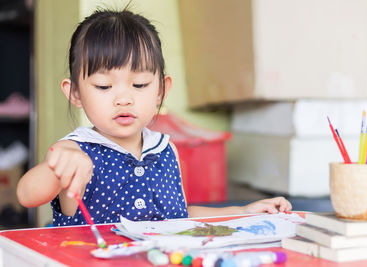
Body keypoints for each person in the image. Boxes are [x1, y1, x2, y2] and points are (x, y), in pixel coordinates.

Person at [16, 8, 292, 226]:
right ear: (74, 92)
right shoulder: (74, 151)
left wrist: (242, 211)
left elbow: (177, 217)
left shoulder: (165, 149)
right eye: (103, 86)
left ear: (161, 90)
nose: (123, 98)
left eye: (139, 85)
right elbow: (27, 195)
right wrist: (56, 167)